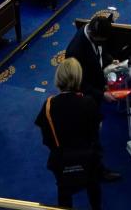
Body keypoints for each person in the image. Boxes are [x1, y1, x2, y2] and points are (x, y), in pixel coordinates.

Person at [35, 58, 105, 210]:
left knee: (64, 193)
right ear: (79, 78)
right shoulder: (88, 102)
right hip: (88, 158)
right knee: (93, 186)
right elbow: (96, 131)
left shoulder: (48, 105)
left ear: (58, 78)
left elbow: (46, 139)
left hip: (61, 160)